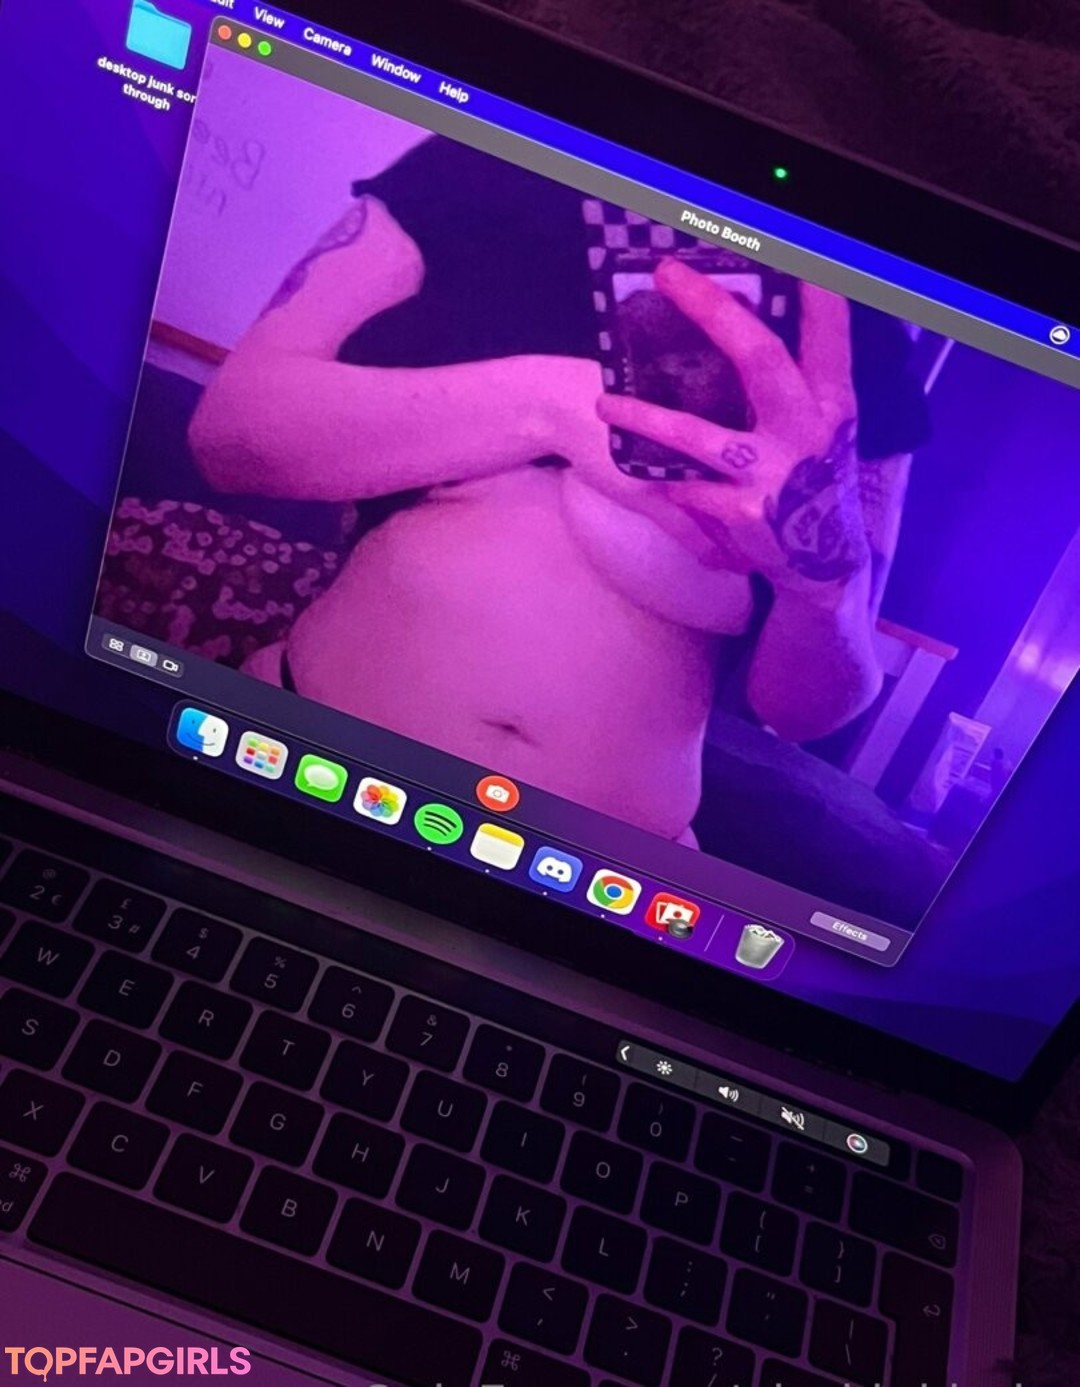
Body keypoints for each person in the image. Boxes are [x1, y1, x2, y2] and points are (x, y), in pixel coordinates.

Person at [189, 134, 923, 845]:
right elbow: (228, 435)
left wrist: (822, 589)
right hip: (311, 773)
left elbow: (808, 713)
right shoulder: (484, 164)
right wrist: (553, 407)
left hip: (593, 875)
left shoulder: (858, 324)